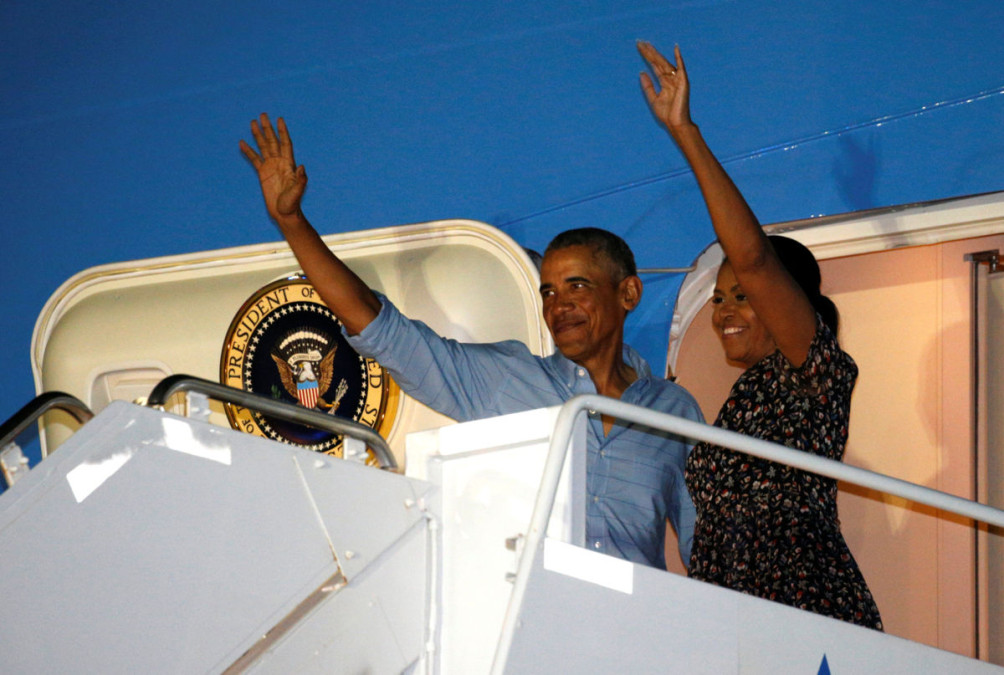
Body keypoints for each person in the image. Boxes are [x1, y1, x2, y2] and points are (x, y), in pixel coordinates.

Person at [239, 114, 704, 570]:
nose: (558, 305)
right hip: (533, 611)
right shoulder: (506, 377)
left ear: (629, 294)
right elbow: (382, 329)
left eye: (577, 286)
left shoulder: (675, 412)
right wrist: (292, 223)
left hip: (640, 616)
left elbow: (704, 547)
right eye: (548, 292)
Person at [637, 41, 883, 629]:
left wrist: (685, 134)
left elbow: (753, 257)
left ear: (786, 300)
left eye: (742, 295)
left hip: (803, 612)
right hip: (733, 619)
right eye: (719, 298)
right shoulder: (745, 399)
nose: (724, 311)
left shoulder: (815, 373)